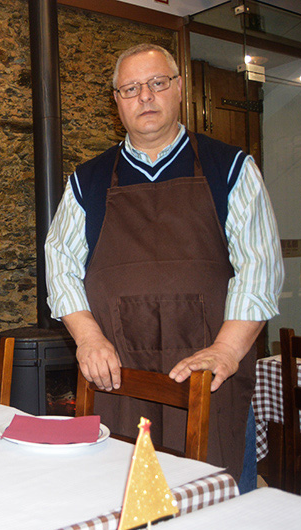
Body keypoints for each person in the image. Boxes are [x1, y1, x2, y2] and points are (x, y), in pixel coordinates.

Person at [45, 43, 283, 492]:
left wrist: (227, 352)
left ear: (178, 90)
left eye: (157, 83)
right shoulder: (87, 181)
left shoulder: (230, 168)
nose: (146, 96)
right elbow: (60, 266)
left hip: (210, 376)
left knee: (219, 509)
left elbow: (260, 269)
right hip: (119, 378)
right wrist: (89, 338)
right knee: (121, 499)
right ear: (117, 101)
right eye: (131, 88)